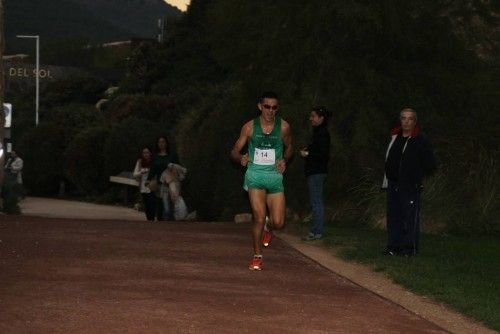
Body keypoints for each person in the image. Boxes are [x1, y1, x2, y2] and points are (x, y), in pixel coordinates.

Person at [231, 91, 293, 271]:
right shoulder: (249, 127)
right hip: (255, 175)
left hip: (274, 177)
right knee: (258, 216)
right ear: (260, 106)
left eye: (274, 107)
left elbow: (290, 148)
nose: (270, 111)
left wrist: (285, 160)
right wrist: (240, 158)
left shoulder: (283, 127)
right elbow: (234, 150)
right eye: (267, 107)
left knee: (279, 222)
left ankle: (269, 227)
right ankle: (257, 256)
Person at [382, 108, 436, 256]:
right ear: (400, 120)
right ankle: (393, 247)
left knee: (409, 218)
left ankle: (409, 249)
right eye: (403, 118)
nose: (406, 121)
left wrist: (415, 175)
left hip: (410, 186)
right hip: (393, 184)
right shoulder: (395, 137)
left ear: (414, 121)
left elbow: (430, 164)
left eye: (410, 118)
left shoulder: (420, 140)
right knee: (394, 217)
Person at [299, 106, 331, 241]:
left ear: (321, 118)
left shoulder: (323, 133)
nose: (310, 118)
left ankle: (315, 232)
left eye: (313, 116)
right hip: (315, 172)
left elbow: (323, 155)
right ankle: (316, 231)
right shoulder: (318, 133)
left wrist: (307, 154)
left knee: (316, 202)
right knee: (316, 201)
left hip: (317, 172)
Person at [147, 136, 180, 221]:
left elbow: (178, 167)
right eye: (159, 142)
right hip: (161, 183)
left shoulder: (172, 155)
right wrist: (148, 179)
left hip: (172, 183)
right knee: (164, 206)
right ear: (157, 144)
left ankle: (172, 221)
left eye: (163, 142)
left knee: (172, 203)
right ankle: (163, 223)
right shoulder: (155, 157)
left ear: (166, 143)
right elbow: (152, 170)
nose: (161, 144)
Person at [133, 147, 156, 221]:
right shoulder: (140, 162)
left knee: (152, 203)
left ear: (150, 153)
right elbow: (135, 174)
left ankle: (152, 219)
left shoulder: (154, 162)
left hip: (152, 186)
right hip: (143, 186)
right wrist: (141, 172)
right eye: (144, 153)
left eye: (147, 152)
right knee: (147, 205)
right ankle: (149, 220)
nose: (145, 154)